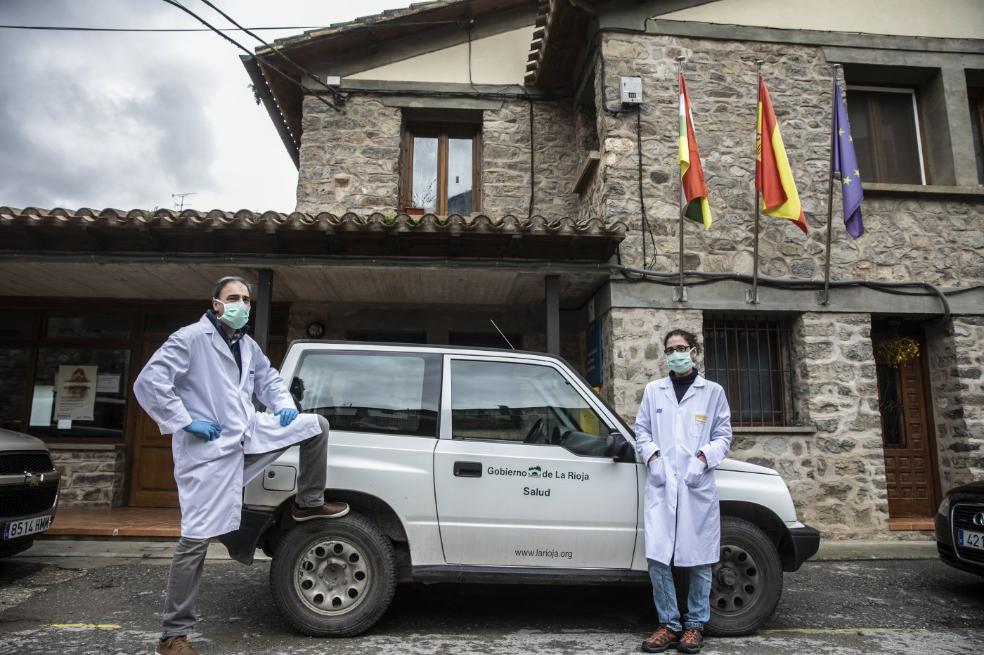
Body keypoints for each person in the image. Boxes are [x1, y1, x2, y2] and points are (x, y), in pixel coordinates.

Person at [134, 276, 349, 655]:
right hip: (209, 449)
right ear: (216, 304)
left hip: (248, 433)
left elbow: (267, 378)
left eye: (247, 300)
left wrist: (283, 405)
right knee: (195, 541)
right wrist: (185, 421)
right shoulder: (189, 339)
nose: (242, 305)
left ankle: (309, 502)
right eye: (233, 298)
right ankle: (173, 636)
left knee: (315, 426)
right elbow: (150, 382)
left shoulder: (247, 345)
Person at [634, 329, 733, 654]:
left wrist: (702, 459)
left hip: (695, 485)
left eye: (681, 348)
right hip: (662, 485)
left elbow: (723, 435)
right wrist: (654, 458)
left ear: (694, 352)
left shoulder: (712, 392)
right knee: (659, 558)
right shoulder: (654, 391)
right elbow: (642, 431)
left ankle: (694, 626)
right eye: (670, 349)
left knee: (699, 559)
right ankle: (669, 625)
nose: (675, 353)